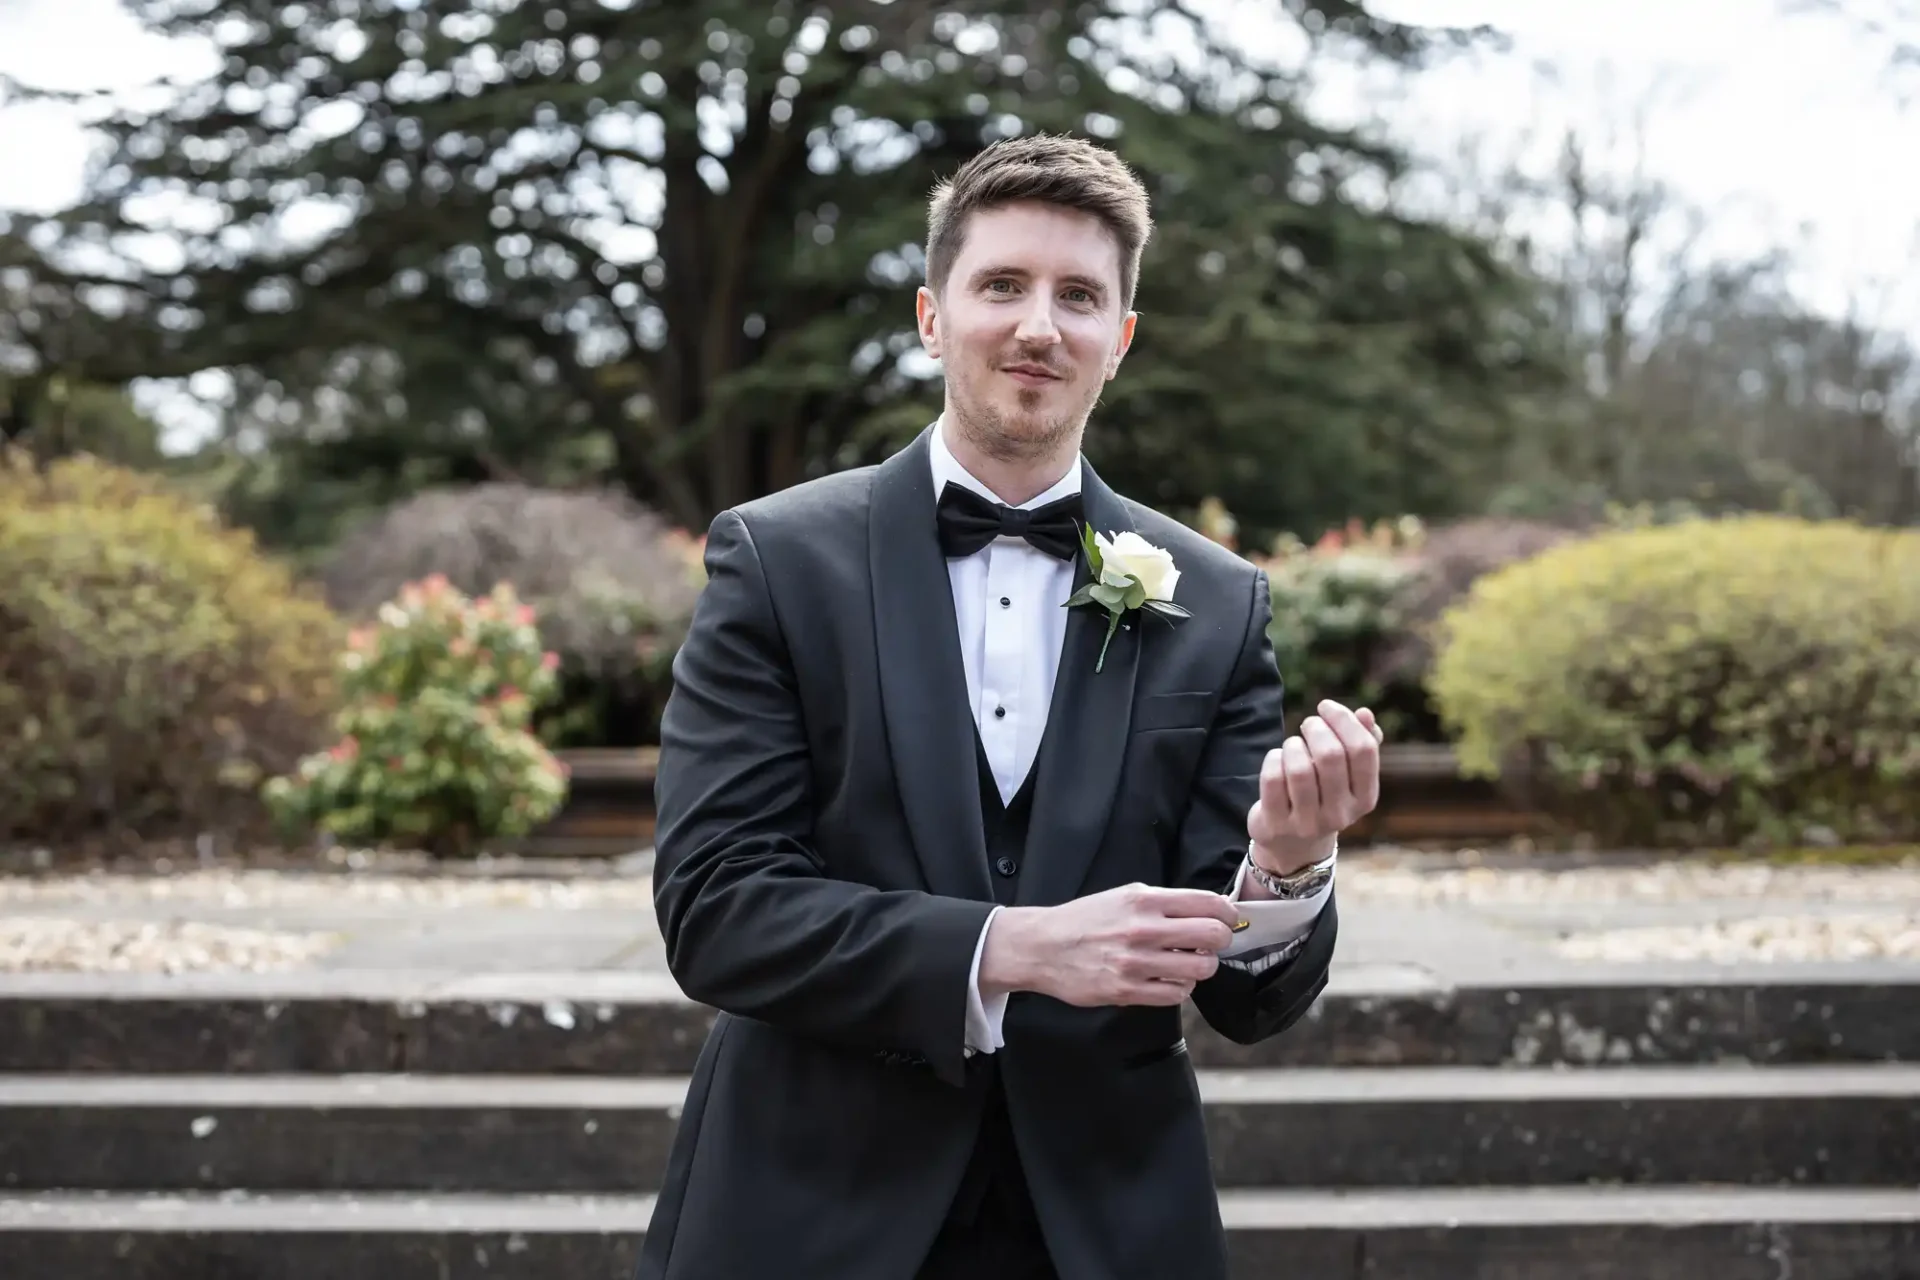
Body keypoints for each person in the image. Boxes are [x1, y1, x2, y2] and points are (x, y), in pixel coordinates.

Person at [636, 133, 1384, 1280]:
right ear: (934, 315)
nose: (1041, 325)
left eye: (1080, 296)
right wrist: (1011, 948)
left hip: (1107, 1219)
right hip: (806, 1208)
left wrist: (1283, 863)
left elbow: (1250, 997)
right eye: (1003, 285)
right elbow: (716, 907)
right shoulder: (777, 561)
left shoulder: (1221, 601)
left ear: (1119, 340)